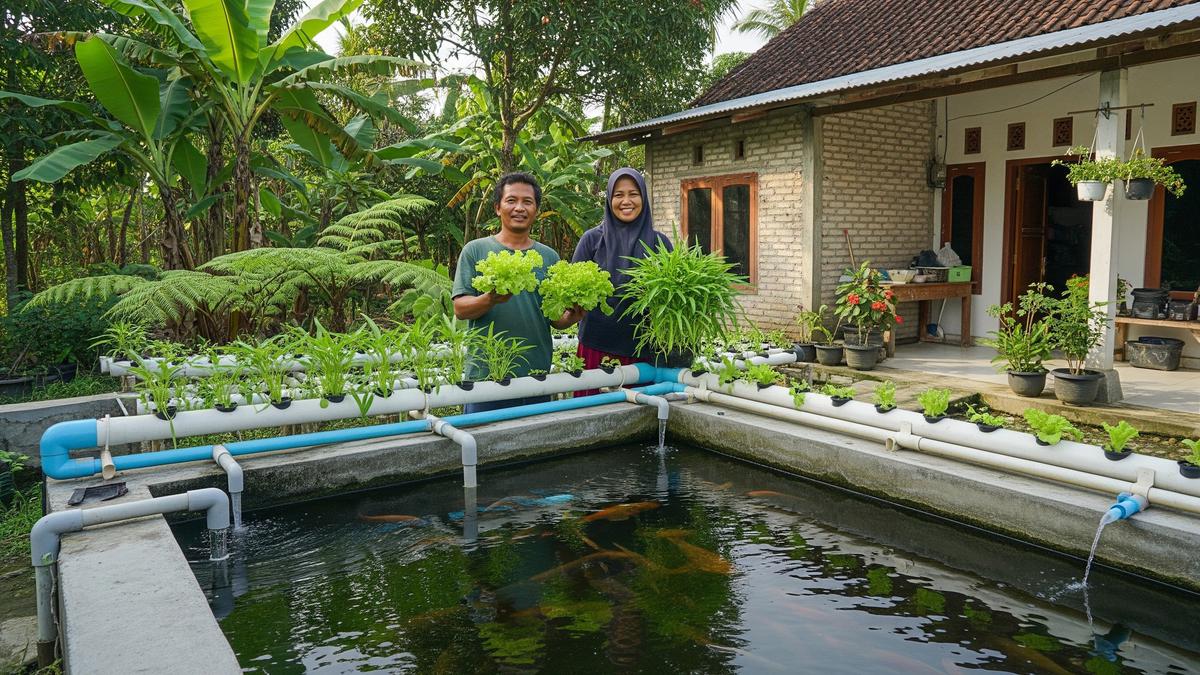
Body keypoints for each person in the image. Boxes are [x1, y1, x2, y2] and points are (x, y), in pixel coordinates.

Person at [453, 172, 584, 413]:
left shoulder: (549, 257)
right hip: (487, 372)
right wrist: (489, 299)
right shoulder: (475, 250)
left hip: (535, 372)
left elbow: (554, 319)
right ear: (497, 207)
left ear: (536, 210)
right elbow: (460, 309)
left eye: (527, 202)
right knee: (482, 444)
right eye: (511, 200)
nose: (519, 208)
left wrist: (571, 318)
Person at [570, 168, 672, 394]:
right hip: (595, 346)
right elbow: (571, 291)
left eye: (633, 194)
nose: (626, 201)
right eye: (618, 195)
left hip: (643, 351)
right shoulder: (592, 240)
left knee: (639, 416)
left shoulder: (659, 243)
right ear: (609, 199)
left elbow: (673, 297)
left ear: (643, 198)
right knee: (590, 414)